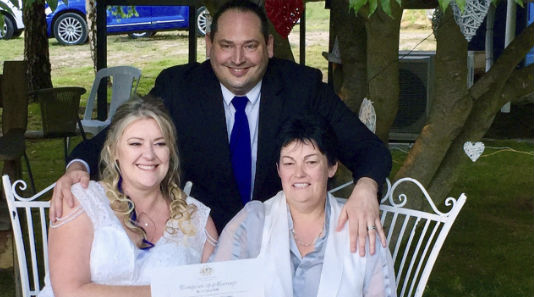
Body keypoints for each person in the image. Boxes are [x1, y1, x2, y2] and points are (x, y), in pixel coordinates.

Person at [52, 0, 391, 256]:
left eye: (250, 46)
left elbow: (369, 150)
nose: (237, 58)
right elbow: (114, 140)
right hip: (203, 249)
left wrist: (366, 187)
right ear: (209, 45)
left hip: (284, 247)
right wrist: (77, 167)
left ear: (269, 47)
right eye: (227, 45)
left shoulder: (303, 86)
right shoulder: (179, 87)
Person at [0, 97, 217, 297]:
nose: (148, 154)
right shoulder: (82, 202)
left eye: (159, 144)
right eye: (135, 143)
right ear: (113, 151)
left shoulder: (198, 219)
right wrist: (163, 295)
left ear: (171, 152)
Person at [211, 115, 402, 297]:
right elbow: (216, 296)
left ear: (332, 167)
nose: (299, 173)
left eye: (311, 162)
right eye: (289, 163)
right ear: (278, 169)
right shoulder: (252, 221)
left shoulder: (360, 224)